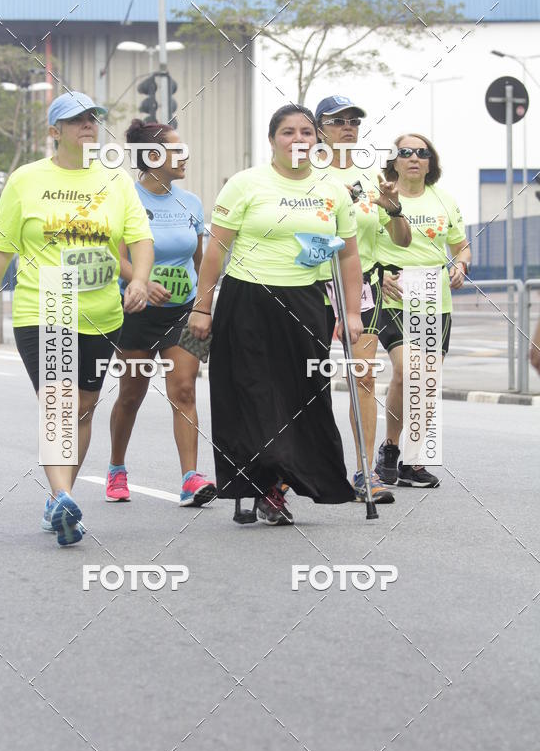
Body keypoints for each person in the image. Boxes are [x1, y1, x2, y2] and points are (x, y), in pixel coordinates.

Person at [0, 91, 154, 545]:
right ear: (55, 131)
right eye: (76, 120)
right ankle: (64, 496)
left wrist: (140, 280)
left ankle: (58, 500)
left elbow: (140, 239)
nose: (88, 125)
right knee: (59, 405)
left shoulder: (116, 181)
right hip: (45, 303)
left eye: (92, 118)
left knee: (84, 407)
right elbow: (0, 250)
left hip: (102, 313)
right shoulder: (26, 180)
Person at [188, 104, 363, 526]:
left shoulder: (333, 190)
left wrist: (352, 312)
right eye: (288, 132)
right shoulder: (246, 184)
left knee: (306, 398)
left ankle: (278, 485)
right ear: (271, 140)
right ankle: (257, 484)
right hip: (247, 301)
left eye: (306, 132)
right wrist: (202, 306)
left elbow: (349, 255)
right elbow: (216, 251)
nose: (298, 139)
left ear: (316, 140)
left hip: (307, 304)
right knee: (251, 395)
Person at [107, 121, 216, 506]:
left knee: (184, 389)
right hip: (135, 312)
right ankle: (116, 468)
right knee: (131, 394)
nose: (185, 156)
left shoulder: (192, 202)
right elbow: (116, 256)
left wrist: (204, 306)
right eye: (176, 150)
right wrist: (141, 280)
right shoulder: (125, 199)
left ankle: (190, 479)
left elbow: (201, 262)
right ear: (152, 156)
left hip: (184, 313)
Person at [314, 94, 412, 504]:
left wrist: (393, 208)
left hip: (362, 285)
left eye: (353, 121)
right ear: (319, 128)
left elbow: (401, 240)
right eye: (338, 121)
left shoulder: (372, 176)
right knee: (306, 379)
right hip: (309, 284)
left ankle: (364, 471)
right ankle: (289, 472)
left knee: (364, 377)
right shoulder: (306, 173)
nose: (348, 127)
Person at [374, 134, 471, 487]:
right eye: (405, 152)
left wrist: (461, 265)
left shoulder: (444, 200)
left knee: (426, 381)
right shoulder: (380, 197)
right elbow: (362, 244)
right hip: (393, 294)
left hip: (433, 298)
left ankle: (412, 461)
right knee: (406, 371)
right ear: (394, 162)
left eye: (422, 152)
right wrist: (378, 274)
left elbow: (461, 247)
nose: (414, 157)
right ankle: (390, 446)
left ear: (431, 162)